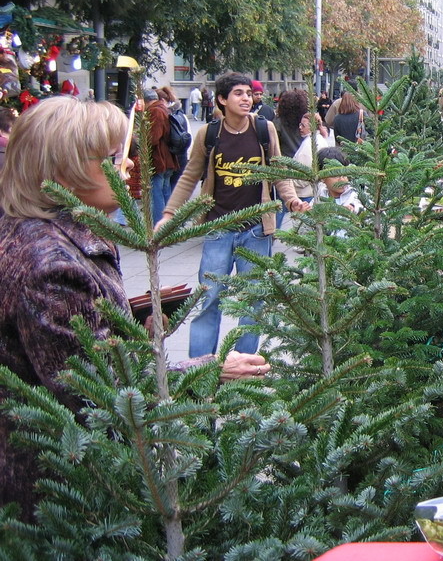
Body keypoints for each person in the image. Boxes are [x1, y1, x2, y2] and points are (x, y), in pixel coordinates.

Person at [0, 96, 269, 519]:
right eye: (112, 156)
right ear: (63, 169)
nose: (129, 166)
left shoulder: (61, 236)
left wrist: (129, 320)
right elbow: (98, 395)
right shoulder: (50, 267)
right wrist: (209, 368)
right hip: (63, 500)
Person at [155, 72, 308, 358]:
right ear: (222, 99)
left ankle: (243, 365)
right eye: (238, 93)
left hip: (256, 232)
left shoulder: (264, 130)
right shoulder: (209, 134)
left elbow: (277, 171)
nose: (246, 98)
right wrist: (169, 214)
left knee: (254, 301)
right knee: (208, 298)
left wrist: (292, 200)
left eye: (248, 93)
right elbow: (190, 176)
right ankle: (200, 367)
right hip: (218, 228)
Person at [143, 88, 178, 221]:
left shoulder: (155, 111)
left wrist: (141, 137)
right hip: (167, 158)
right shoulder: (163, 108)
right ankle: (169, 224)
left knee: (156, 194)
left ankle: (159, 226)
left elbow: (153, 138)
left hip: (159, 159)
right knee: (165, 191)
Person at [157, 86, 190, 188]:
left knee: (168, 188)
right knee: (175, 187)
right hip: (181, 155)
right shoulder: (180, 114)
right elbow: (188, 135)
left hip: (171, 156)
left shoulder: (163, 115)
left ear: (162, 100)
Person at [274, 89, 308, 159]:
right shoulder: (307, 121)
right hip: (305, 161)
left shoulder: (278, 122)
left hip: (285, 164)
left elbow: (274, 146)